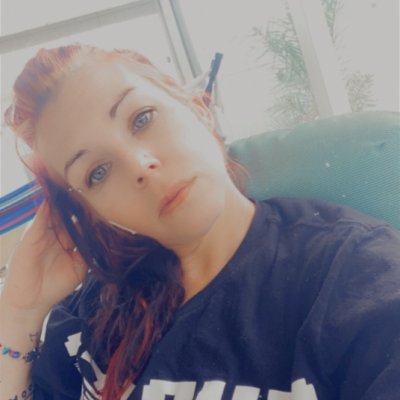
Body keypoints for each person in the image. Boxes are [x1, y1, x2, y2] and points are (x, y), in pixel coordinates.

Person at [0, 44, 399, 400]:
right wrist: (19, 313)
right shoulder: (93, 309)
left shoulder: (354, 274)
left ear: (198, 109)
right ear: (94, 212)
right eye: (98, 173)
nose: (140, 165)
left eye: (142, 119)